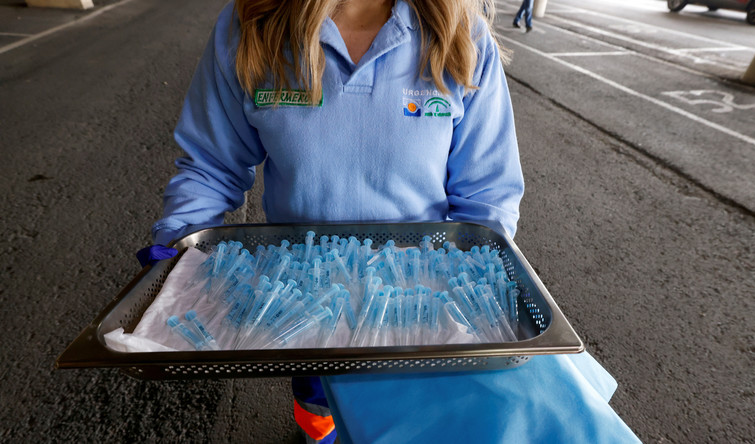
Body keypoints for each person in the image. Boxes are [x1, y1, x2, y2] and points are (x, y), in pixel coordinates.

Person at [148, 0, 640, 443]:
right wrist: (179, 248)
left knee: (414, 420)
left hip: (418, 302)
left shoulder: (457, 30)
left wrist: (475, 299)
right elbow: (212, 165)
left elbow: (485, 195)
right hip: (302, 299)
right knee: (318, 397)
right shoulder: (253, 24)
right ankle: (317, 427)